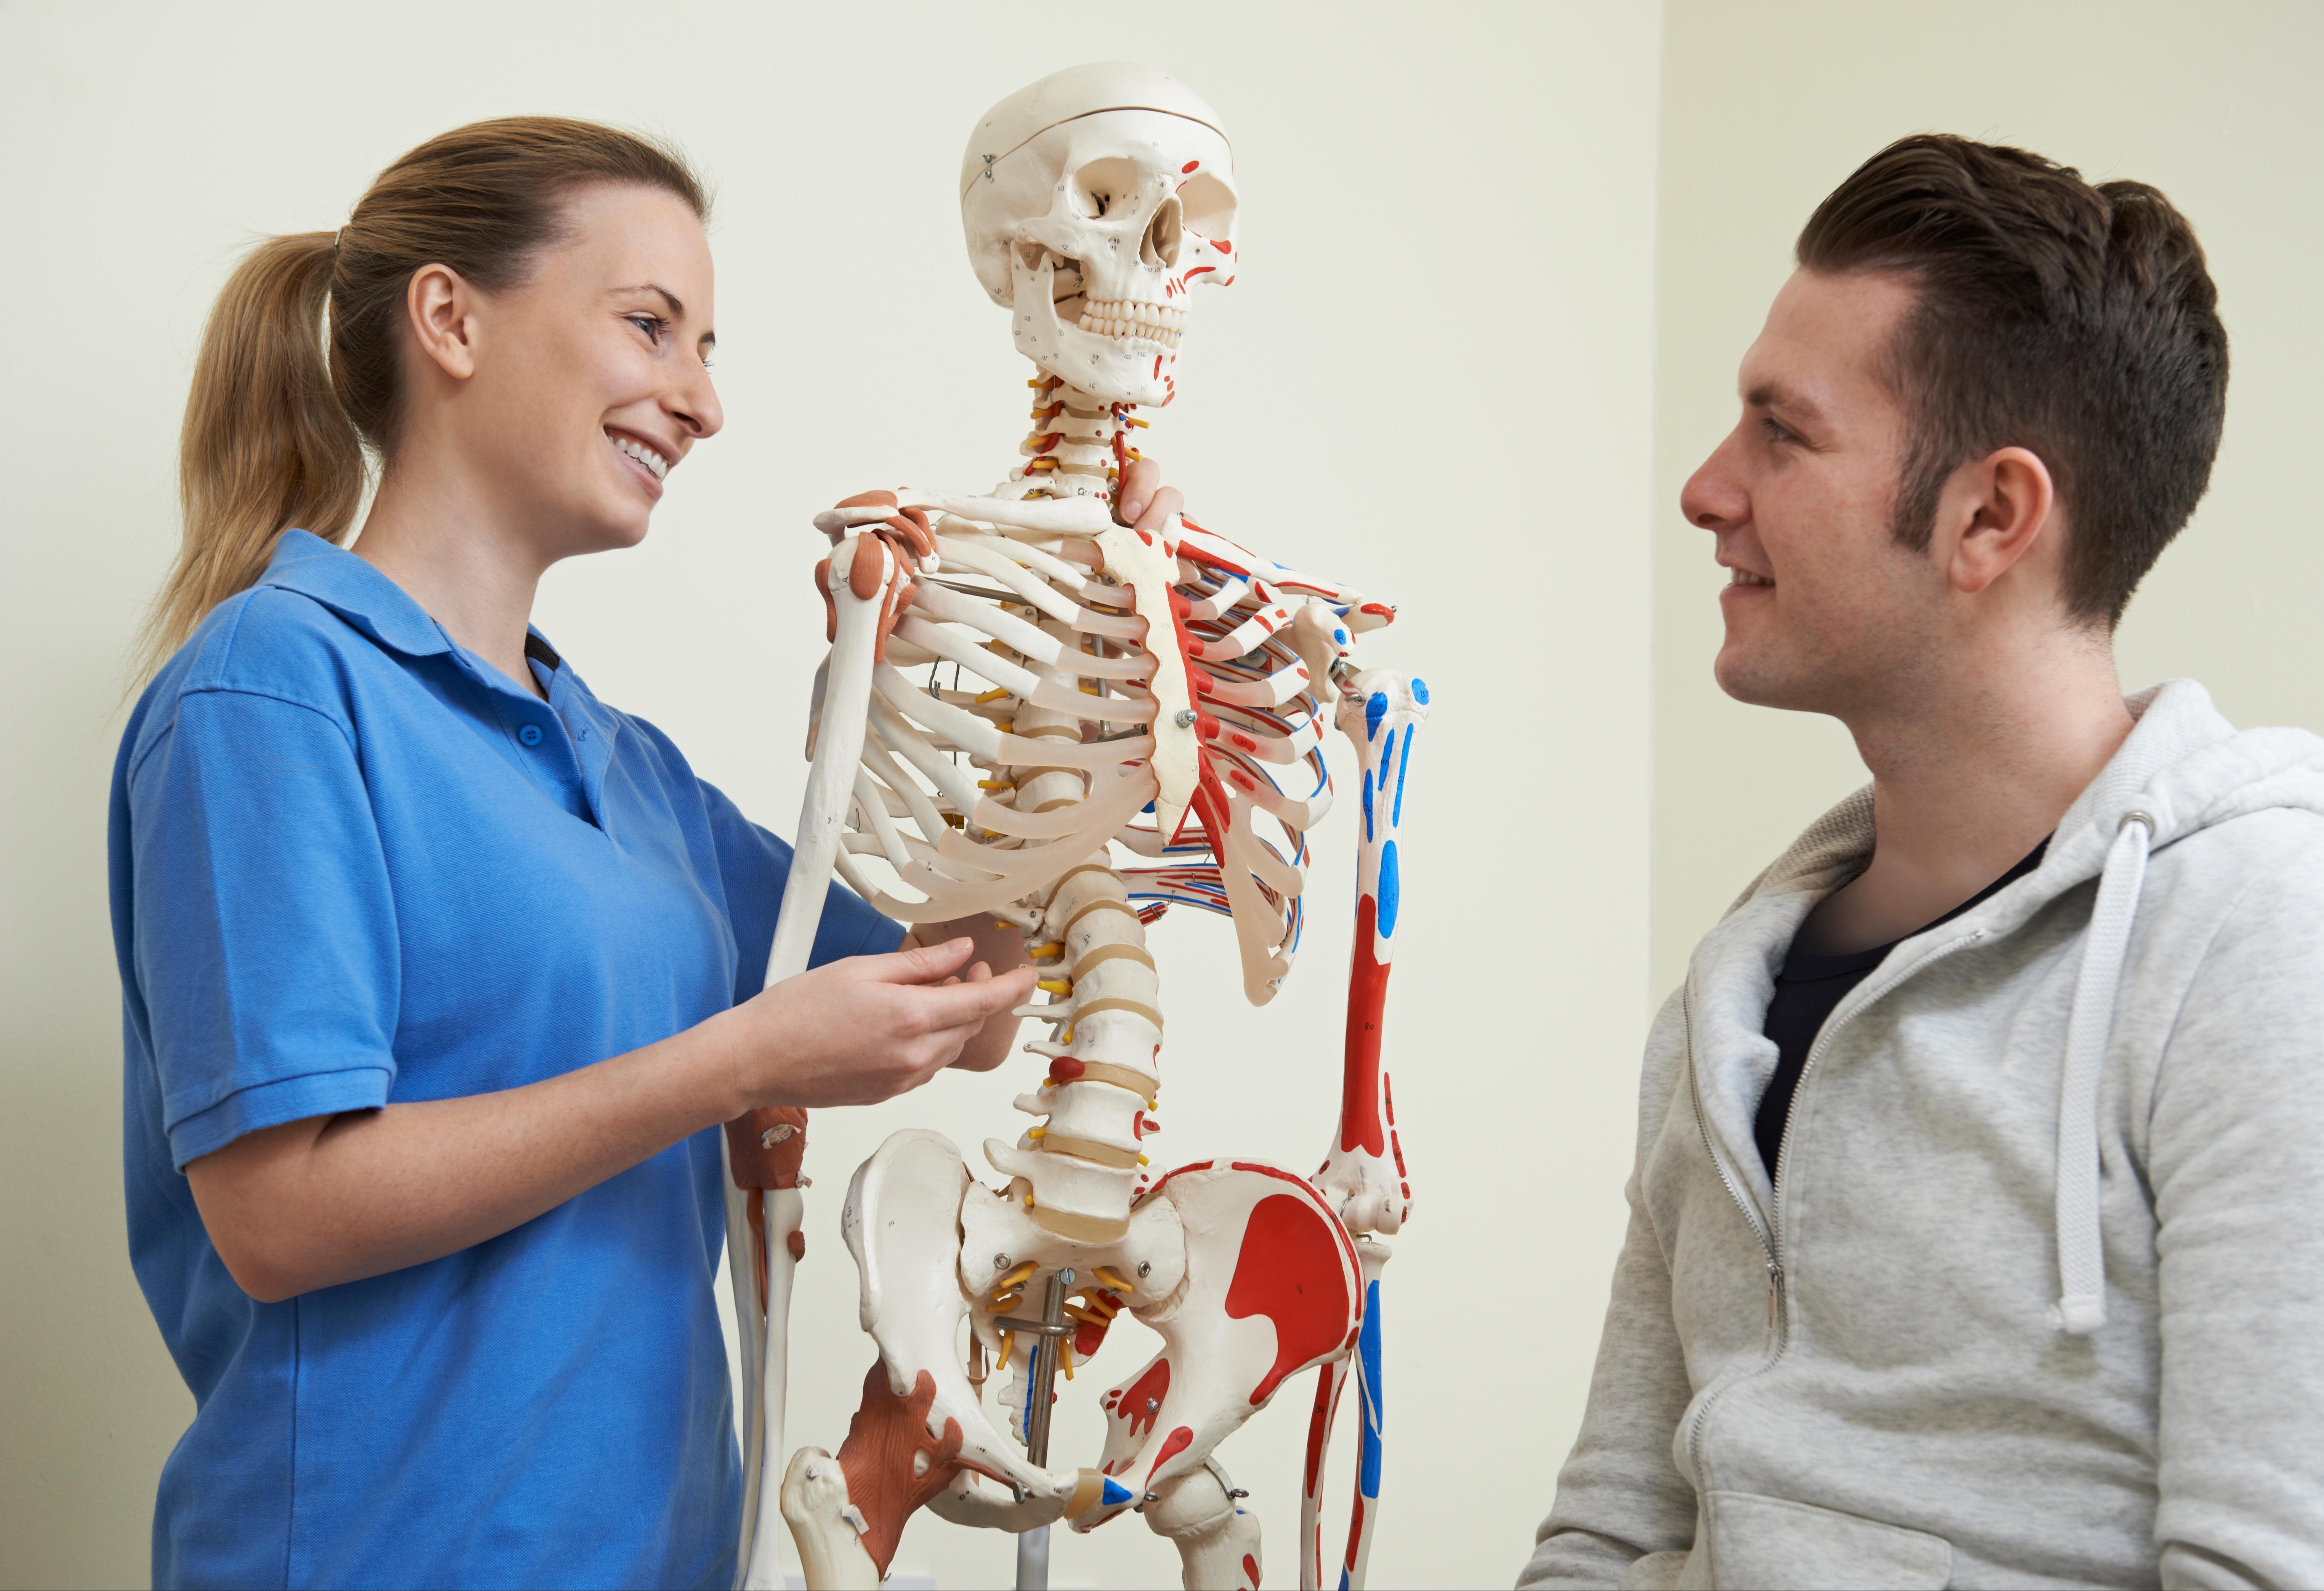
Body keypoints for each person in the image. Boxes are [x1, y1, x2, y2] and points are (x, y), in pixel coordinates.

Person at [110, 117, 1182, 1589]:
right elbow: (284, 1212)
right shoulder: (272, 693)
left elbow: (975, 1000)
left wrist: (1082, 662)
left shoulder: (627, 768)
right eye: (651, 327)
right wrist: (737, 1059)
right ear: (451, 319)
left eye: (708, 345)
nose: (702, 401)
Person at [1522, 136, 2324, 1588]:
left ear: (1990, 517)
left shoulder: (2259, 941)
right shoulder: (1730, 1000)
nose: (1707, 490)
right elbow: (1603, 1536)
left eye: (1783, 432)